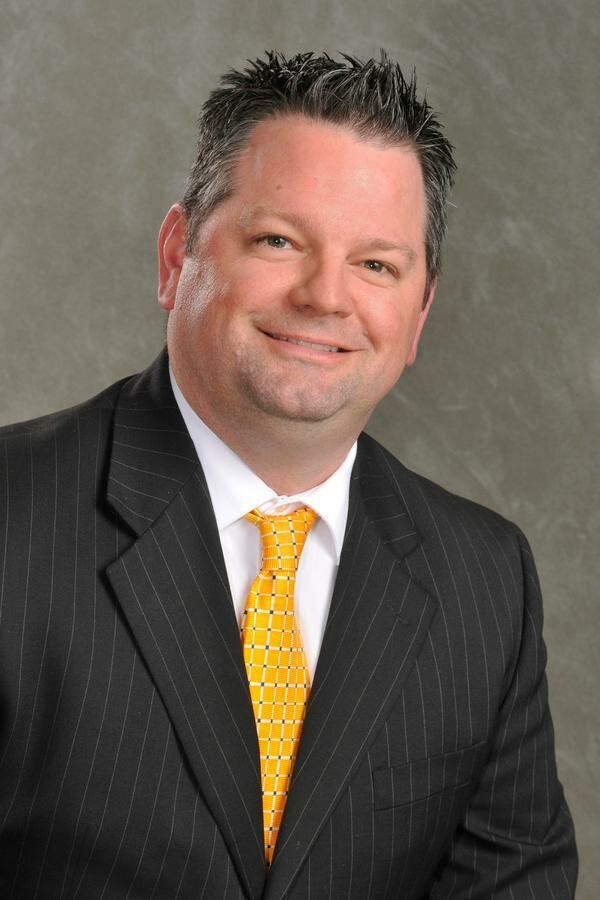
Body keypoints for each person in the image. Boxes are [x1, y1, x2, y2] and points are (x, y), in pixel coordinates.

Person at [0, 51, 577, 899]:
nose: (325, 297)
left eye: (376, 264)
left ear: (419, 313)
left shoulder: (484, 580)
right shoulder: (14, 522)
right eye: (279, 241)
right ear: (176, 256)